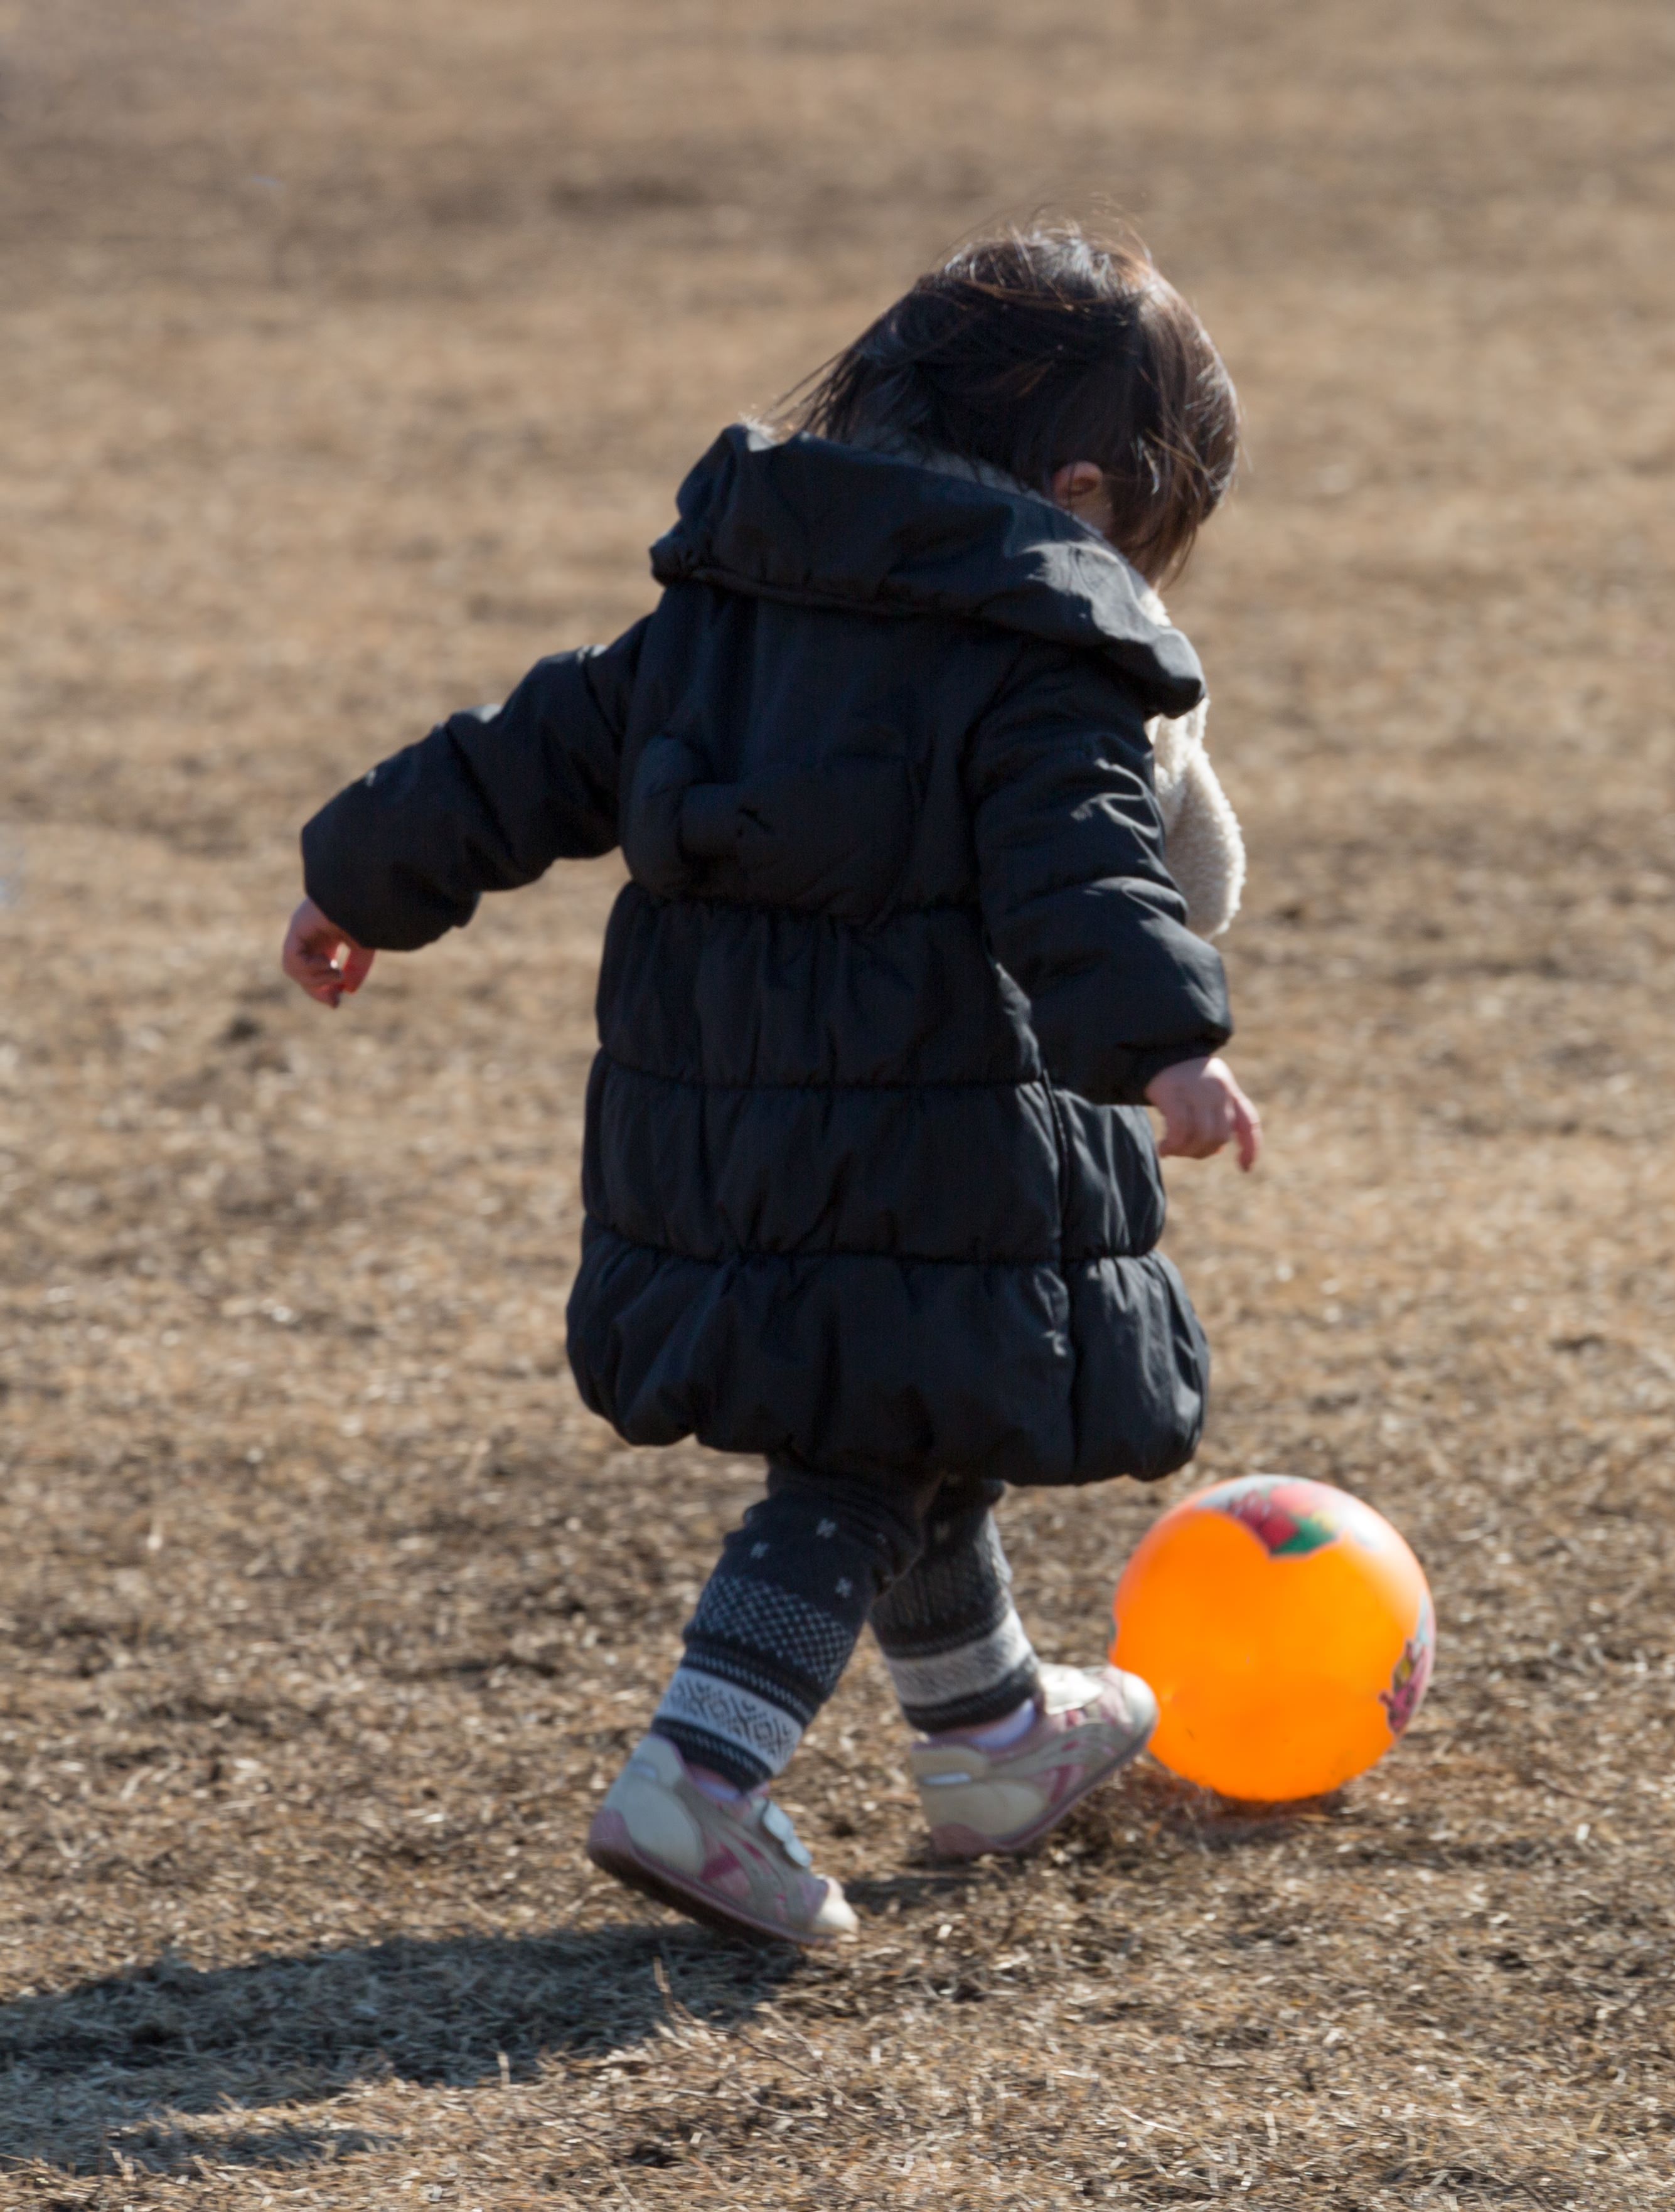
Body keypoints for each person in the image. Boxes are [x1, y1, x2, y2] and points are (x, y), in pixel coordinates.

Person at [280, 225, 1260, 1946]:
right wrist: (1170, 1041)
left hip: (724, 1127)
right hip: (929, 1128)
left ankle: (991, 1739)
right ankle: (702, 1777)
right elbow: (1088, 867)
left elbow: (541, 747)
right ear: (1088, 494)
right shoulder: (1042, 649)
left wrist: (364, 875)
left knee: (917, 1411)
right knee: (871, 1457)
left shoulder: (734, 605)